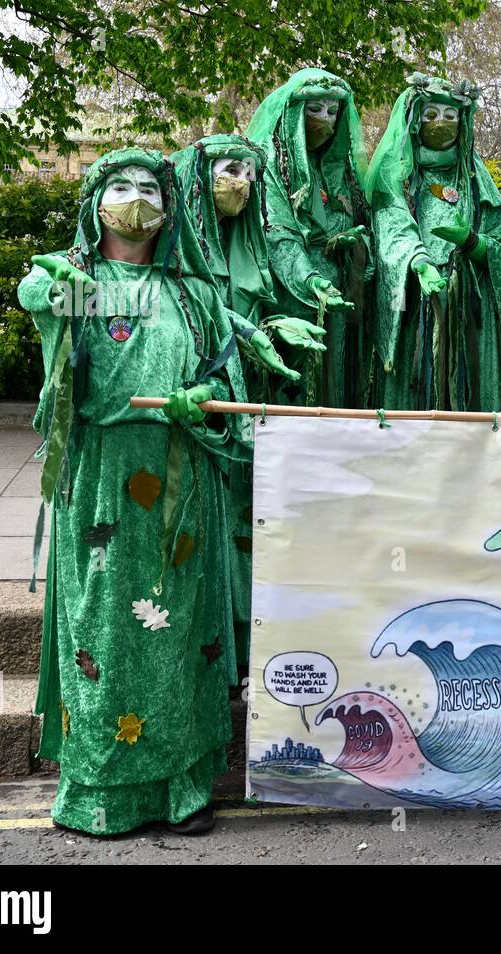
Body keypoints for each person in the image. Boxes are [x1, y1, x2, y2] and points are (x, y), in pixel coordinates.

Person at [19, 148, 251, 836]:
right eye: (119, 186)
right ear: (95, 203)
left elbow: (225, 380)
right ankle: (101, 795)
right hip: (101, 484)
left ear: (169, 208)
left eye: (150, 187)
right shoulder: (80, 283)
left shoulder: (194, 294)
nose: (136, 198)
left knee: (177, 633)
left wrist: (201, 397)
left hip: (182, 485)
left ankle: (184, 790)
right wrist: (52, 280)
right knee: (105, 632)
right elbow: (37, 297)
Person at [172, 134, 319, 678]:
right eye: (231, 170)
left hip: (247, 398)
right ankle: (208, 650)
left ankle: (246, 642)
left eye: (251, 174)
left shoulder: (250, 242)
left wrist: (274, 330)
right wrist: (251, 335)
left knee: (247, 518)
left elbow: (252, 316)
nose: (243, 184)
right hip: (196, 402)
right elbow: (201, 312)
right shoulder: (175, 246)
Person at [368, 74, 501, 411]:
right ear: (414, 120)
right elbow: (392, 223)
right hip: (413, 302)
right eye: (431, 114)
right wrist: (419, 261)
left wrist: (473, 243)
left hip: (469, 306)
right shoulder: (397, 173)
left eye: (450, 116)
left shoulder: (476, 179)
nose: (441, 123)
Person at [246, 69, 374, 407]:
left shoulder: (339, 169)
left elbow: (358, 221)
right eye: (314, 109)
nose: (325, 121)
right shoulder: (270, 163)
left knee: (332, 384)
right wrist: (311, 279)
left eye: (333, 112)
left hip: (337, 295)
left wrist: (350, 243)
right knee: (292, 385)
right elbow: (276, 231)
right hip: (287, 294)